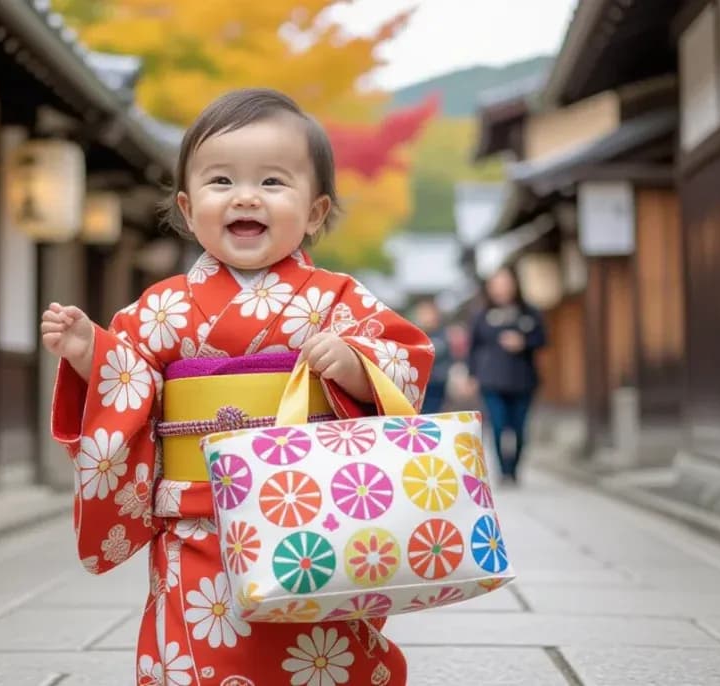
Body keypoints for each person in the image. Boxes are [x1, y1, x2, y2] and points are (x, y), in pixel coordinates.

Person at [40, 88, 433, 685]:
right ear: (187, 206)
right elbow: (132, 376)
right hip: (198, 520)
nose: (246, 196)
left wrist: (354, 363)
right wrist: (91, 352)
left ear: (316, 212)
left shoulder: (336, 298)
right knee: (196, 643)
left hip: (314, 516)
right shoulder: (164, 306)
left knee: (321, 647)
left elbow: (405, 353)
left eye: (273, 182)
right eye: (221, 181)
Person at [467, 266, 546, 485]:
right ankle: (503, 471)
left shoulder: (529, 312)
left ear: (515, 284)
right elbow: (473, 347)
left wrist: (524, 342)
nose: (501, 288)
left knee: (519, 428)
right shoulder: (481, 315)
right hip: (491, 379)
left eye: (505, 283)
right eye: (496, 284)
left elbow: (542, 339)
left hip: (522, 379)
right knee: (499, 426)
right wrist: (472, 375)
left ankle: (514, 469)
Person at [413, 298, 452, 414]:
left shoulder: (442, 333)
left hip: (437, 381)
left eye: (428, 314)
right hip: (420, 382)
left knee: (435, 411)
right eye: (422, 314)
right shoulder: (417, 333)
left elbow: (438, 350)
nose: (425, 318)